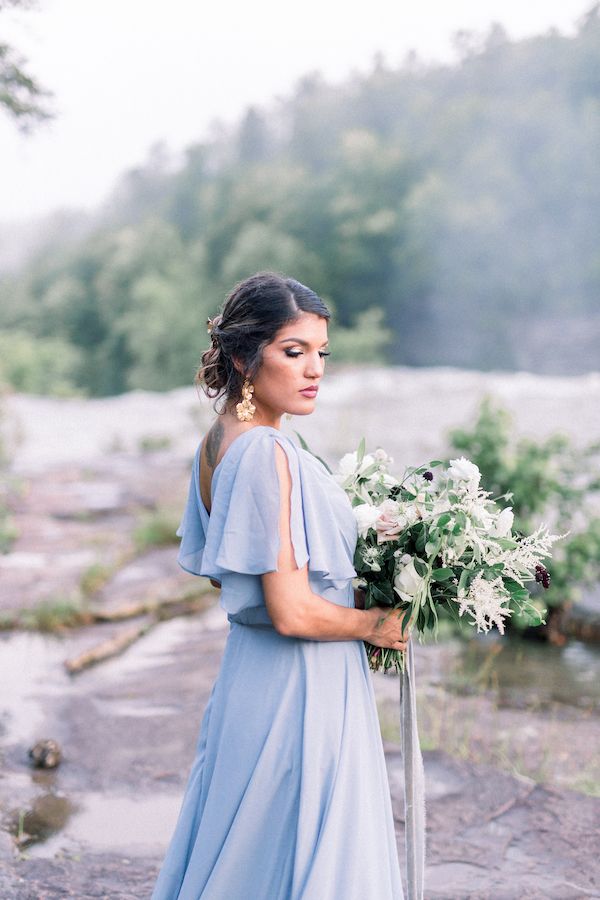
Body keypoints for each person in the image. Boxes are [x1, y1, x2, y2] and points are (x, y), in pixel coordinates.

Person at [151, 271, 413, 900]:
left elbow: (247, 584)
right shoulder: (268, 453)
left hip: (251, 678)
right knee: (295, 860)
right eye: (293, 352)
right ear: (244, 357)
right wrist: (381, 625)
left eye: (321, 353)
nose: (313, 369)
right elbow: (292, 610)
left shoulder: (217, 444)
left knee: (245, 857)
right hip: (300, 686)